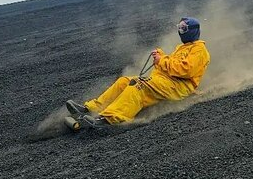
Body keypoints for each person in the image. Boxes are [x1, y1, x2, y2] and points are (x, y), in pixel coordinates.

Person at [66, 17, 210, 128]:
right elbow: (169, 65)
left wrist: (161, 60)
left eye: (184, 28)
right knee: (124, 81)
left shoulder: (199, 51)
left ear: (193, 30)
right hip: (166, 82)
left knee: (138, 84)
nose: (180, 31)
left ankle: (110, 119)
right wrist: (160, 56)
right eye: (179, 27)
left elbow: (185, 70)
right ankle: (90, 109)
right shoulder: (184, 48)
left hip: (179, 86)